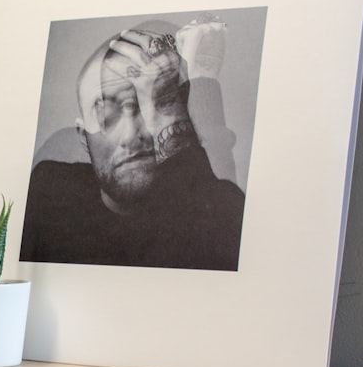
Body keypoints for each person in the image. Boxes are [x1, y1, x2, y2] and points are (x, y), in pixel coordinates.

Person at [20, 16, 246, 271]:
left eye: (158, 103)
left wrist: (198, 82)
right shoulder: (50, 194)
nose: (130, 136)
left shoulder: (221, 208)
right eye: (106, 115)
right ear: (83, 137)